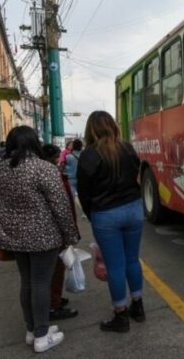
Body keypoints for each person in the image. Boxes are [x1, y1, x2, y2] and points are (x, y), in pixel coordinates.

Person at [0, 126, 79, 353]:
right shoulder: (43, 168)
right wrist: (70, 235)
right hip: (43, 238)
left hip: (13, 238)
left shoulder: (0, 169)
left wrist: (9, 203)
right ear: (34, 143)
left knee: (27, 283)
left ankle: (32, 330)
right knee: (40, 285)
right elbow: (61, 206)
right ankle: (42, 335)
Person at [77, 111, 145, 333]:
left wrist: (92, 214)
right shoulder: (126, 148)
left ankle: (121, 315)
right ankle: (138, 307)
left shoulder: (88, 155)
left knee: (115, 266)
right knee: (133, 260)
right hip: (134, 209)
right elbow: (138, 175)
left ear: (91, 130)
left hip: (106, 215)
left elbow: (84, 193)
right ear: (112, 126)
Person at [41, 144, 80, 321]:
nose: (59, 160)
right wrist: (71, 233)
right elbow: (63, 208)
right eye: (57, 157)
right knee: (54, 269)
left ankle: (52, 301)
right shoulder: (51, 175)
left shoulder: (38, 171)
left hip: (39, 232)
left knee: (46, 272)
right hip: (52, 231)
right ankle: (52, 306)